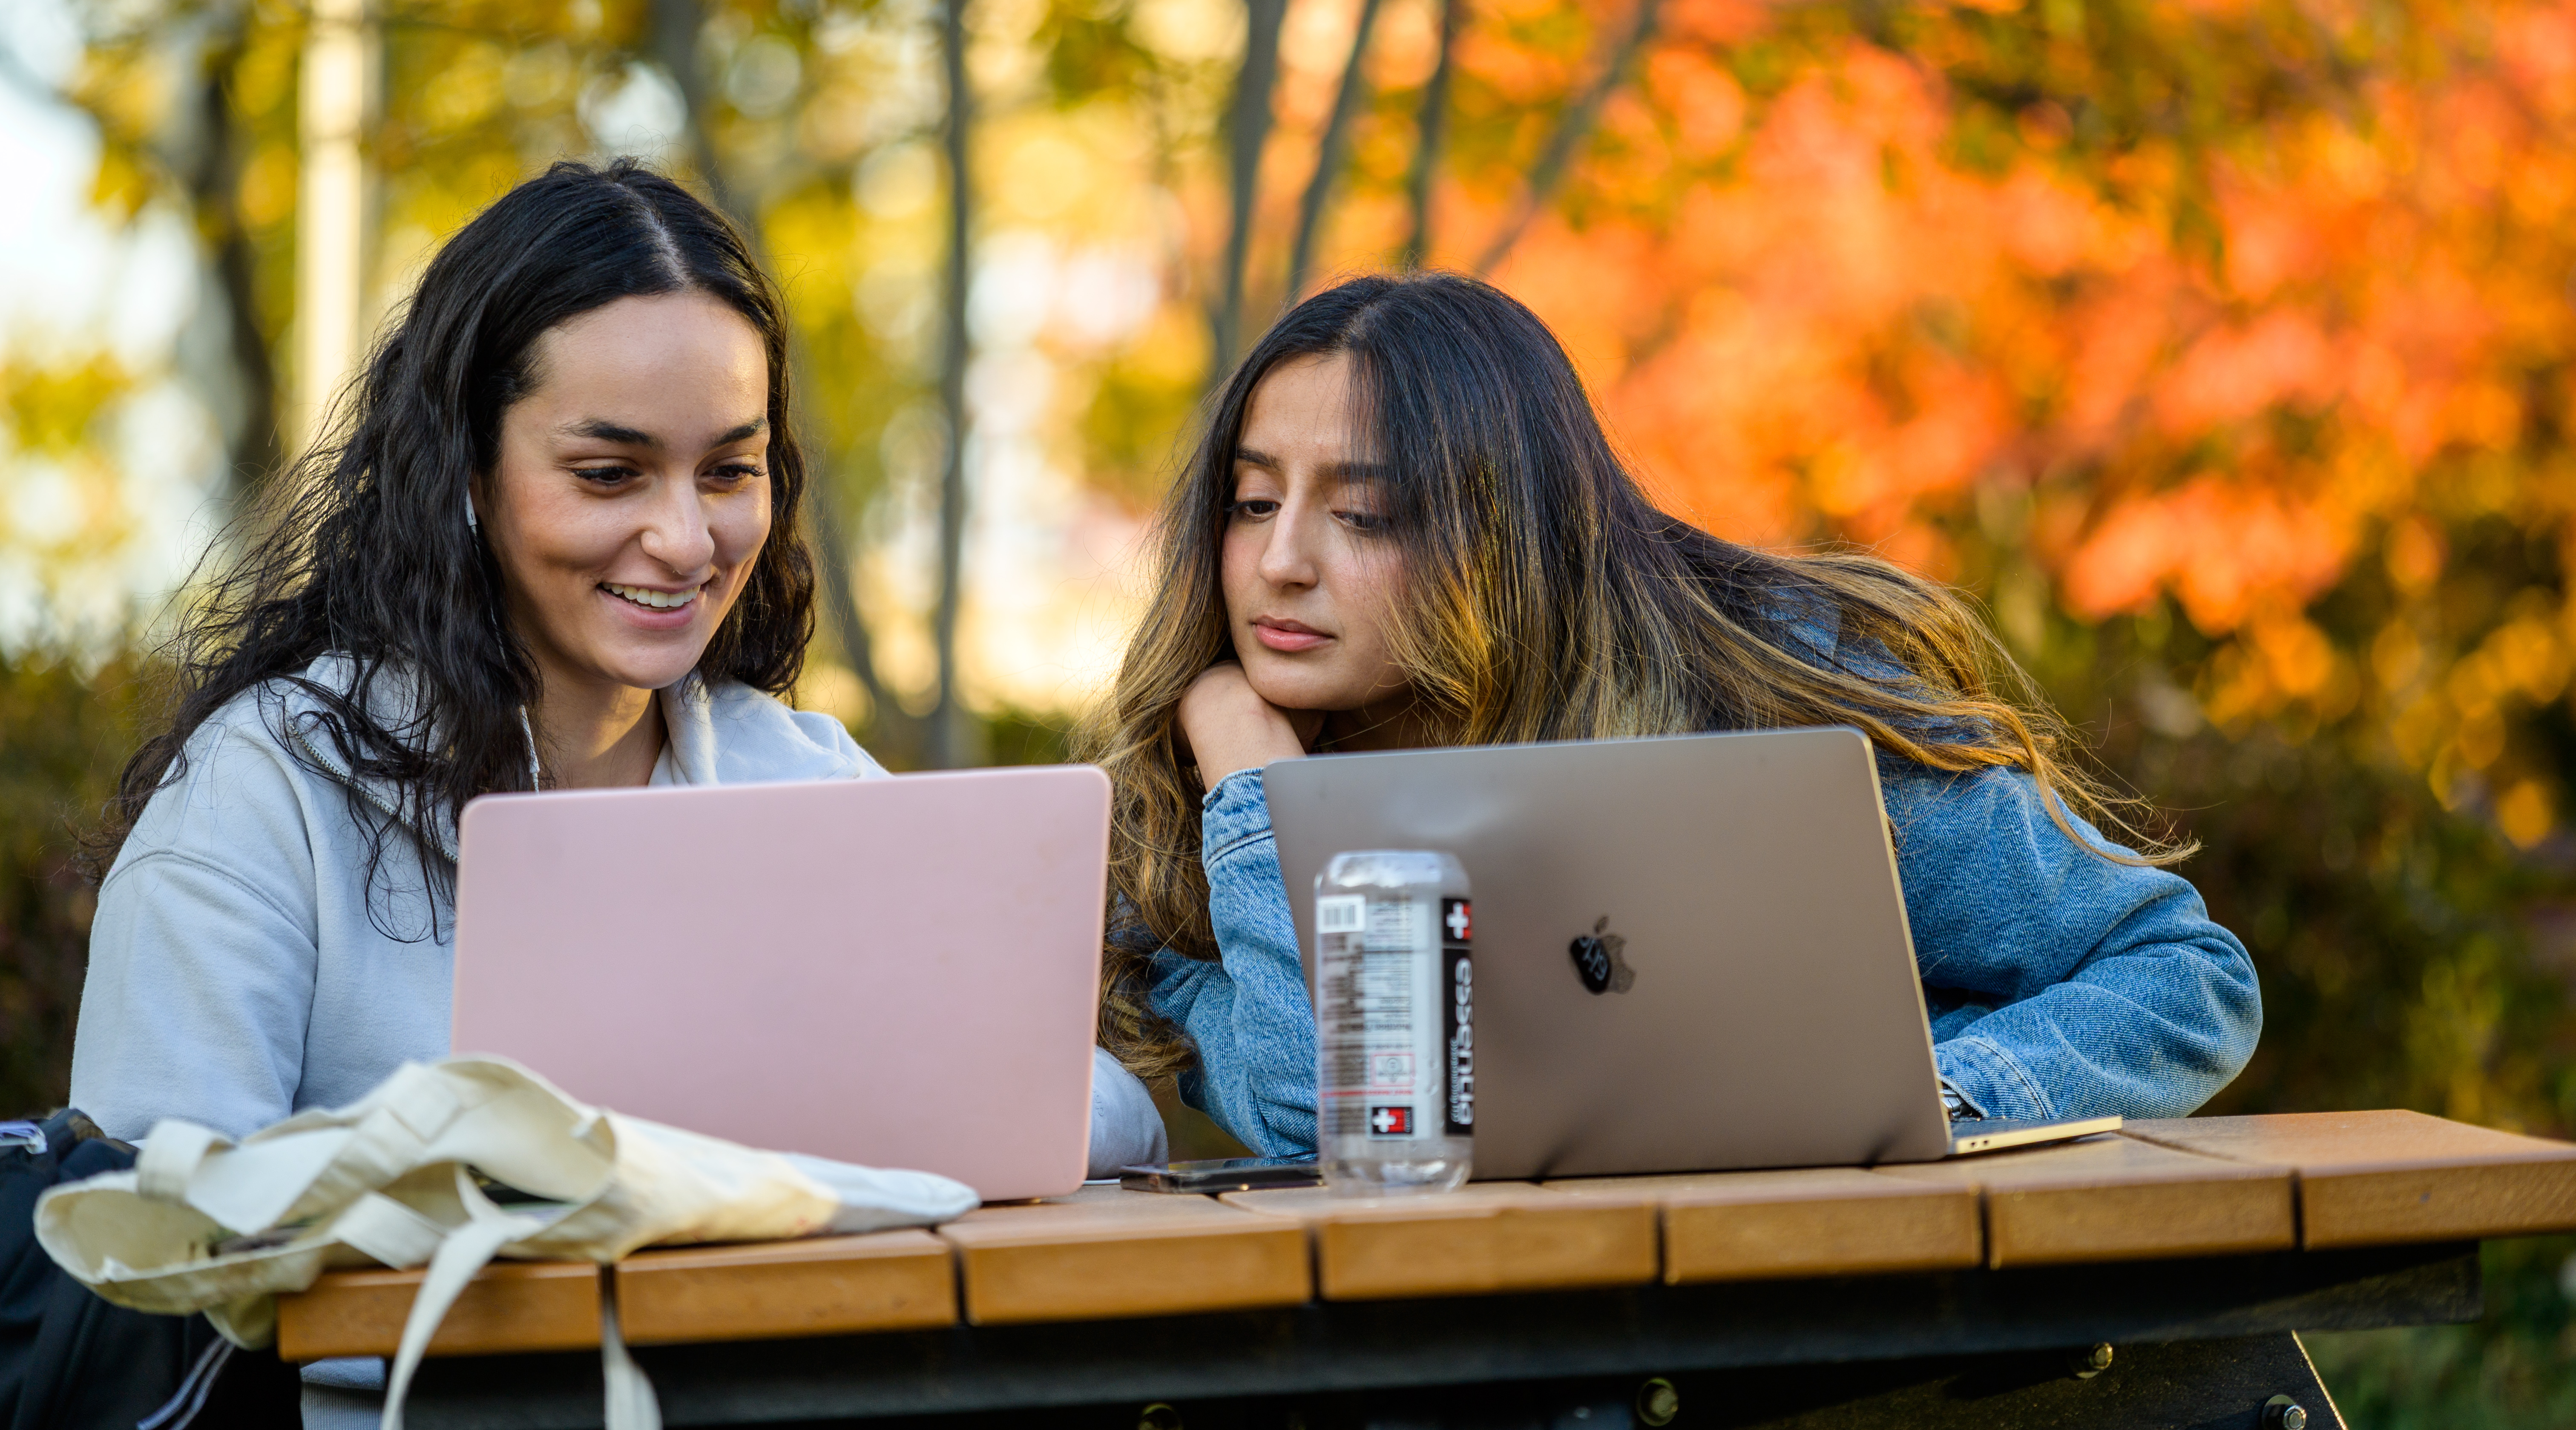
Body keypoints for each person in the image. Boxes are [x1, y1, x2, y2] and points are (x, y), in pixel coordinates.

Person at [71, 160, 1163, 1175]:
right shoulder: (271, 787)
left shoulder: (802, 780)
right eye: (609, 473)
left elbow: (1110, 1111)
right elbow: (149, 1217)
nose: (687, 540)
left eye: (730, 468)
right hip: (413, 1388)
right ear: (463, 469)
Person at [1082, 272, 2260, 1160]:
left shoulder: (1763, 695)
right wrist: (1255, 795)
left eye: (1369, 516)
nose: (1279, 562)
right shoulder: (1192, 829)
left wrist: (1926, 1108)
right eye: (1251, 501)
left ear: (1504, 540)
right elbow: (1331, 1124)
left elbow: (2182, 975)